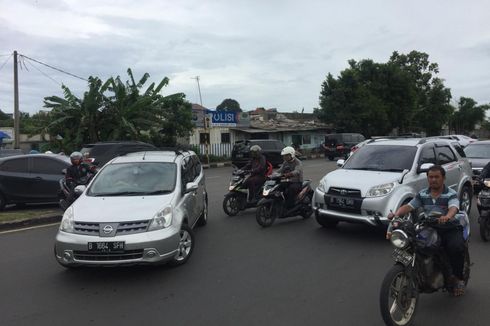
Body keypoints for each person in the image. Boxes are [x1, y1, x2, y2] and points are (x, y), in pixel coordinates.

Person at [387, 165, 466, 296]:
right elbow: (409, 206)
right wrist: (396, 214)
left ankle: (457, 279)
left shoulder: (450, 193)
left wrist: (447, 216)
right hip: (430, 226)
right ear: (428, 178)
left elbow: (453, 207)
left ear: (443, 178)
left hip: (449, 227)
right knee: (415, 245)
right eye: (431, 177)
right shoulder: (423, 194)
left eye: (437, 177)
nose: (433, 180)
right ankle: (422, 272)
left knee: (456, 248)